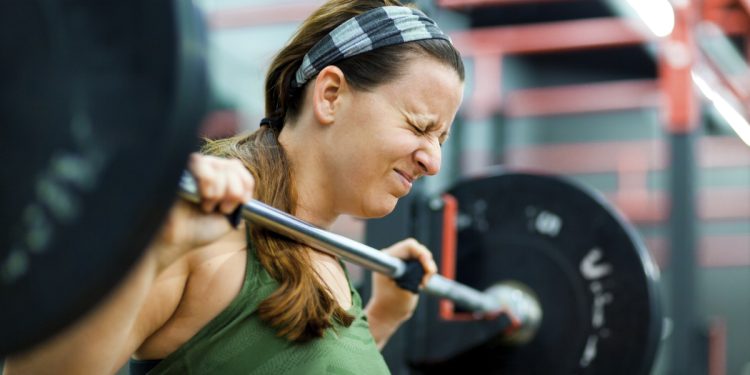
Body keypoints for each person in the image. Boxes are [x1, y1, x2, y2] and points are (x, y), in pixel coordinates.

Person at [2, 0, 464, 373]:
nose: (433, 160)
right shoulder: (210, 229)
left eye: (441, 139)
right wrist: (162, 249)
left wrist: (381, 317)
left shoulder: (327, 258)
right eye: (419, 126)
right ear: (330, 95)